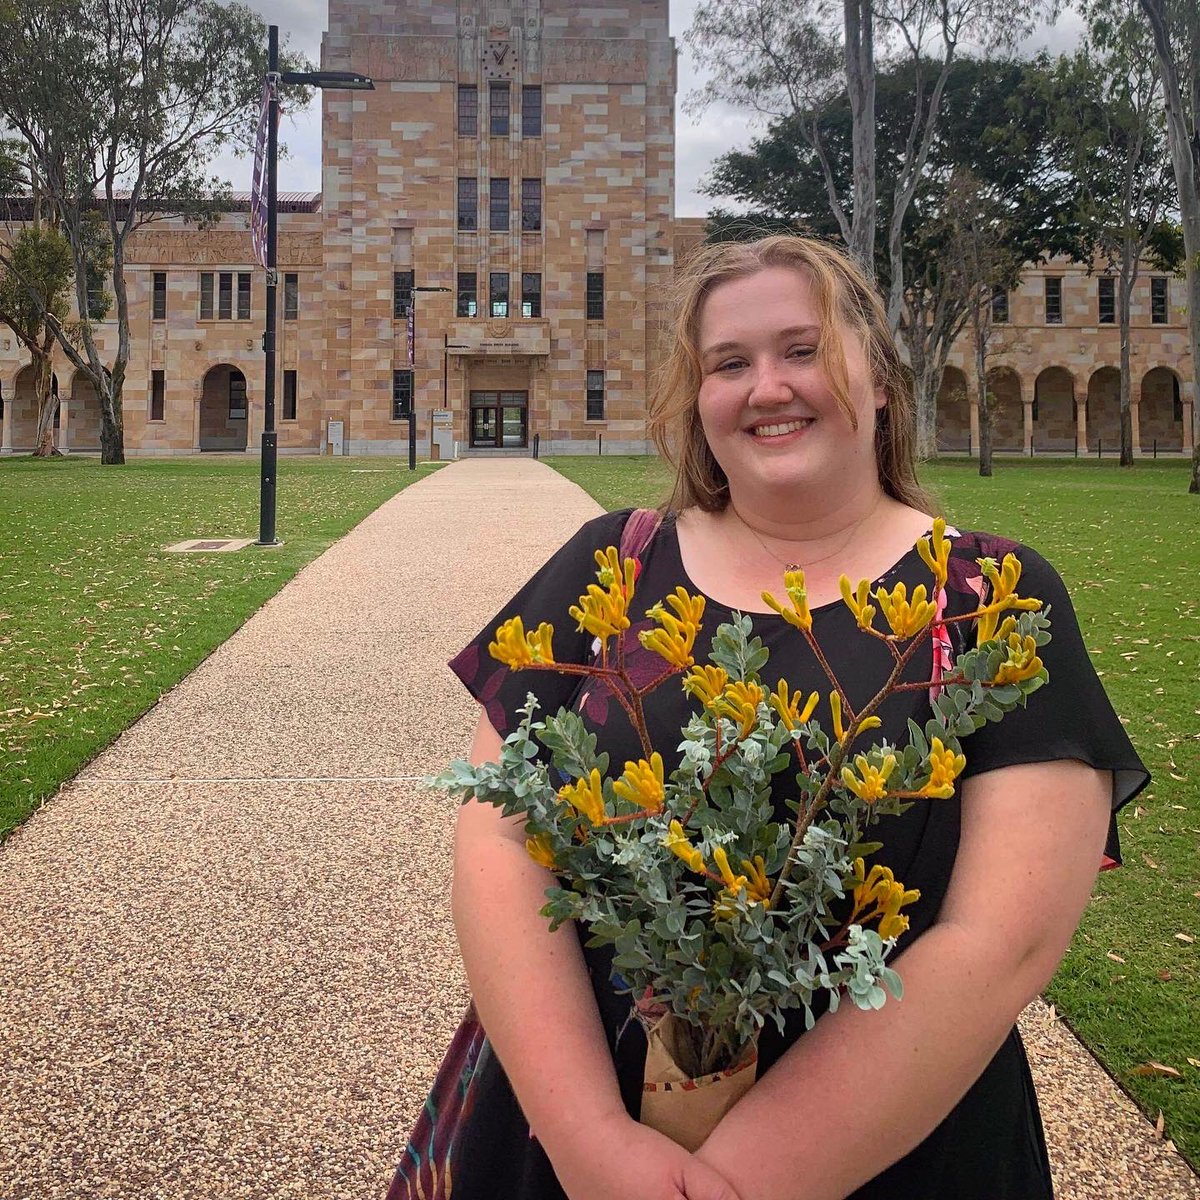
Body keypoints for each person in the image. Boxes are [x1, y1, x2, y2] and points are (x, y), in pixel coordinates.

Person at [427, 235, 1148, 1200]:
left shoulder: (988, 601)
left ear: (881, 381)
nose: (767, 387)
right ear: (699, 400)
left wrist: (744, 1179)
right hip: (586, 1130)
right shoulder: (611, 566)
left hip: (891, 1142)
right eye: (730, 363)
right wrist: (592, 1140)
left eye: (802, 350)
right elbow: (502, 844)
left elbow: (999, 940)